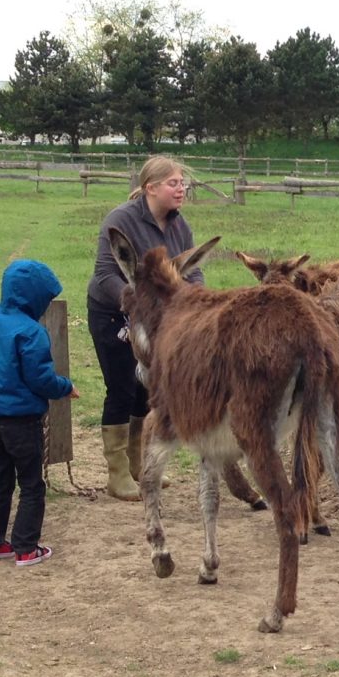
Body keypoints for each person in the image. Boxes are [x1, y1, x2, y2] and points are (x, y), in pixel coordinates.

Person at [87, 155, 202, 500]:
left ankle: (138, 465)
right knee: (121, 389)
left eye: (183, 183)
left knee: (144, 392)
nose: (181, 189)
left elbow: (192, 270)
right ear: (151, 187)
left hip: (158, 322)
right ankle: (117, 474)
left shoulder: (180, 226)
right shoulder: (120, 219)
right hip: (114, 317)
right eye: (173, 183)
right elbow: (106, 274)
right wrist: (140, 300)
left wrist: (196, 298)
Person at [0, 259, 79, 566]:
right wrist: (64, 387)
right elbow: (39, 377)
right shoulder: (31, 332)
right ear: (35, 297)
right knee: (31, 484)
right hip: (23, 422)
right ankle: (26, 547)